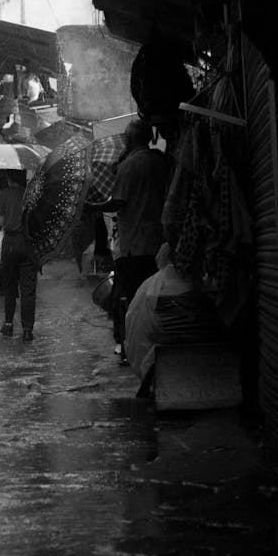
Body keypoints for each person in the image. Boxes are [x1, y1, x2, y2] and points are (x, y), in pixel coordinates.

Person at [86, 118, 169, 360]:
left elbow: (118, 201)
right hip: (160, 244)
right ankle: (155, 349)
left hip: (134, 246)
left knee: (133, 302)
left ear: (131, 139)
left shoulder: (129, 166)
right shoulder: (160, 161)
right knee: (155, 300)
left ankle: (133, 350)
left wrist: (92, 206)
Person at [125, 241, 226, 397]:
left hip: (168, 336)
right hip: (203, 334)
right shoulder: (197, 282)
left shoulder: (152, 287)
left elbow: (135, 324)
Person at [0, 168, 38, 342]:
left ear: (8, 177)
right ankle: (27, 329)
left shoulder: (3, 194)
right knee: (28, 289)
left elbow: (0, 222)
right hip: (28, 243)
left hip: (10, 244)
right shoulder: (32, 195)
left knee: (10, 285)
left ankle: (8, 324)